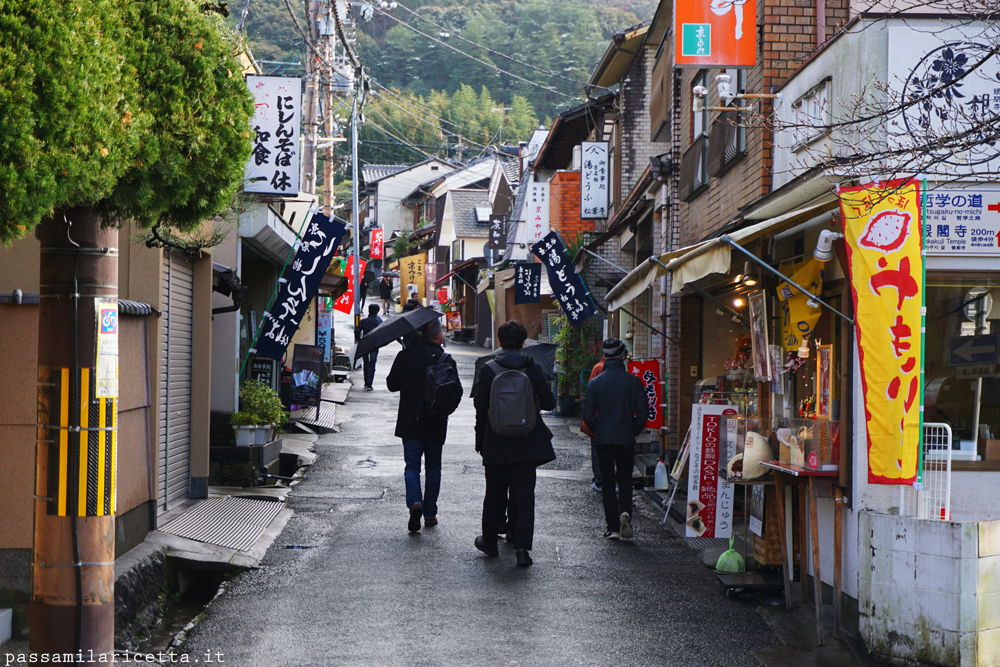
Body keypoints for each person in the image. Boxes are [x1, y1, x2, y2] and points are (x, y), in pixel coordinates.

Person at [473, 320, 557, 567]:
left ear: (499, 341)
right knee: (524, 495)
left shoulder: (488, 369)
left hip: (496, 442)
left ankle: (490, 542)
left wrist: (481, 441)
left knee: (494, 493)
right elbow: (550, 403)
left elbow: (480, 409)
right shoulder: (532, 369)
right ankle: (521, 549)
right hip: (527, 442)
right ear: (523, 343)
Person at [386, 318, 459, 533]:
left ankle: (414, 502)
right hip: (436, 422)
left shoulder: (405, 355)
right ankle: (429, 513)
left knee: (412, 466)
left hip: (411, 421)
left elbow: (391, 385)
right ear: (438, 336)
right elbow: (457, 392)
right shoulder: (445, 359)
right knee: (434, 468)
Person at [581, 338, 647, 540]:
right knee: (625, 479)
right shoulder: (634, 382)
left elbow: (587, 413)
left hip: (604, 438)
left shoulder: (595, 383)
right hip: (626, 437)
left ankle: (612, 527)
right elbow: (643, 412)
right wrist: (632, 430)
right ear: (623, 356)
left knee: (608, 482)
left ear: (605, 357)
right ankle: (625, 512)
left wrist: (599, 429)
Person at [582, 357, 606, 492]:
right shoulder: (601, 368)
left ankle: (599, 479)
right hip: (600, 417)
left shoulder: (598, 366)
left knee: (597, 450)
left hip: (597, 418)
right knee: (598, 451)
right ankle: (599, 480)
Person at [354, 304, 382, 391]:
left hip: (365, 344)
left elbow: (357, 332)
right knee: (372, 363)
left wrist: (360, 341)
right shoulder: (379, 321)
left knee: (365, 362)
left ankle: (366, 382)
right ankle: (370, 384)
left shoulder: (364, 321)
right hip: (374, 344)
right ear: (377, 311)